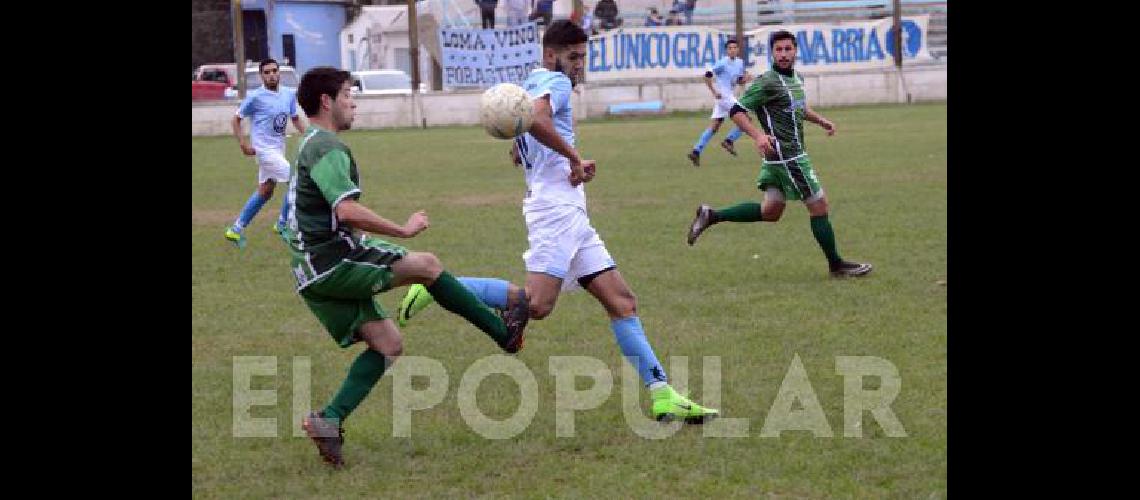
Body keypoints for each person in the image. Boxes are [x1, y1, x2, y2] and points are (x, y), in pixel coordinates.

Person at [401, 21, 719, 425]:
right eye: (574, 57)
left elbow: (525, 129)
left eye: (583, 56)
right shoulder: (556, 82)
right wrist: (573, 158)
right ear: (552, 55)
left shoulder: (532, 80)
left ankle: (663, 395)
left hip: (566, 210)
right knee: (536, 305)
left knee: (622, 302)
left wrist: (527, 152)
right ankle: (439, 285)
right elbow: (536, 119)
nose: (580, 64)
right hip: (557, 211)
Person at [287, 67, 531, 468]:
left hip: (310, 272)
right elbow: (345, 209)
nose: (354, 102)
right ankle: (504, 332)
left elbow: (301, 214)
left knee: (388, 345)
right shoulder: (326, 145)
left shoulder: (309, 144)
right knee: (428, 265)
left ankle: (328, 420)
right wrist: (401, 230)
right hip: (331, 263)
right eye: (348, 94)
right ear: (327, 101)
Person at [686, 31, 873, 278]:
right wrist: (758, 136)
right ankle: (836, 265)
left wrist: (821, 121)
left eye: (788, 49)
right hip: (790, 158)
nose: (784, 54)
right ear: (772, 53)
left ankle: (712, 215)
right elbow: (737, 110)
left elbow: (800, 108)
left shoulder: (796, 78)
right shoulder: (767, 82)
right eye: (779, 50)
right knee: (819, 206)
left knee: (771, 212)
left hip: (778, 158)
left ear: (795, 51)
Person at [224, 58, 305, 248]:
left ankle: (235, 229)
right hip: (263, 150)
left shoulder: (288, 94)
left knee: (266, 190)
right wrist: (243, 145)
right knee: (296, 180)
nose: (271, 75)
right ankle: (282, 224)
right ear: (261, 76)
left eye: (274, 71)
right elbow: (235, 120)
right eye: (266, 72)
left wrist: (310, 134)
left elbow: (295, 118)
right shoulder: (255, 97)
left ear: (279, 73)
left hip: (278, 148)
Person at [686, 39, 750, 167]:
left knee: (715, 125)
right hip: (723, 96)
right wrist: (714, 92)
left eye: (734, 47)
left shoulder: (739, 63)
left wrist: (746, 78)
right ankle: (729, 140)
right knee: (746, 119)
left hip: (727, 97)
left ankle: (696, 151)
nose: (732, 50)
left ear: (737, 50)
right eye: (730, 48)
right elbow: (707, 76)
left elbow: (738, 81)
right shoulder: (722, 63)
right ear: (727, 50)